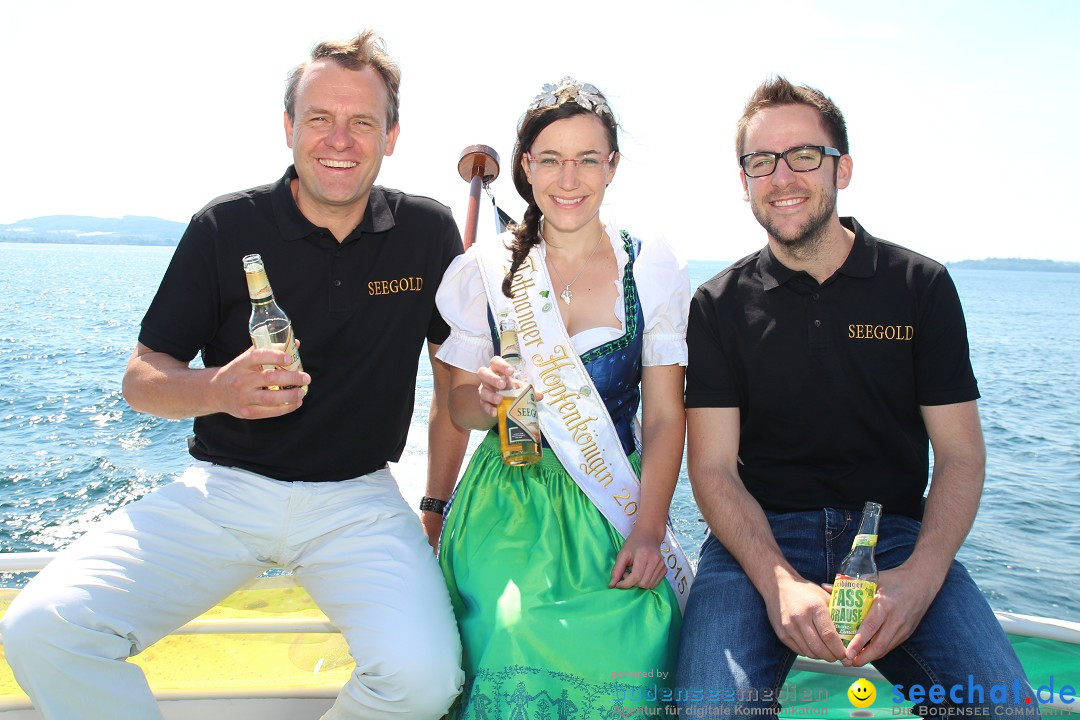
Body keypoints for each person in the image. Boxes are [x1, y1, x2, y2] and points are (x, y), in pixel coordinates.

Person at [0, 30, 469, 720]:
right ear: (288, 127)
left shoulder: (427, 231)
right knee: (43, 631)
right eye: (319, 118)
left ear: (390, 135)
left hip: (357, 504)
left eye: (361, 122)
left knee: (424, 679)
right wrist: (215, 389)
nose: (339, 139)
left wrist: (432, 506)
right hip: (224, 491)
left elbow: (454, 382)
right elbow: (142, 376)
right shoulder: (225, 226)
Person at [676, 76, 1037, 716]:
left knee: (1005, 708)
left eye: (804, 156)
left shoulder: (919, 286)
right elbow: (709, 468)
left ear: (844, 167)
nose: (782, 176)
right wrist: (778, 581)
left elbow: (960, 456)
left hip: (895, 537)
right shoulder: (717, 305)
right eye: (761, 161)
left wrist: (921, 579)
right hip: (758, 540)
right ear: (744, 181)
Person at [434, 77, 693, 717]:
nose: (568, 178)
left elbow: (664, 419)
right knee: (515, 628)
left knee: (640, 635)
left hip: (614, 501)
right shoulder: (484, 271)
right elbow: (457, 408)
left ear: (612, 167)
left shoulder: (650, 268)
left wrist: (651, 529)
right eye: (550, 159)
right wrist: (487, 399)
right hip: (507, 501)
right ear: (526, 167)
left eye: (587, 159)